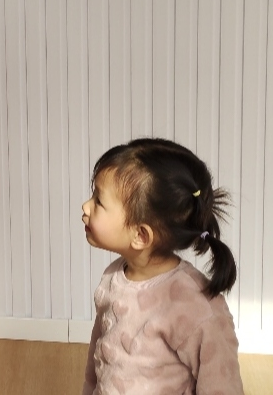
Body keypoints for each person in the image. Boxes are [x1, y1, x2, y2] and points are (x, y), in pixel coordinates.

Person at [80, 138, 244, 395]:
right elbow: (98, 358)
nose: (86, 206)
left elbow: (222, 384)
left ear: (140, 235)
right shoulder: (112, 277)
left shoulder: (195, 306)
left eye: (99, 201)